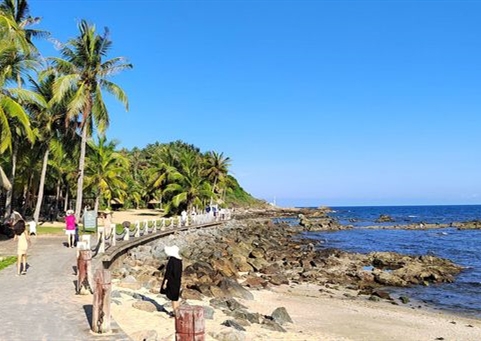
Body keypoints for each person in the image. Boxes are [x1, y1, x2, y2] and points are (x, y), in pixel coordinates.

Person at [160, 245, 183, 318]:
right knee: (176, 298)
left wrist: (165, 283)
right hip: (178, 281)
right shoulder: (179, 260)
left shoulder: (171, 260)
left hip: (171, 281)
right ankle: (177, 312)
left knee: (173, 298)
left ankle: (176, 314)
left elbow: (168, 272)